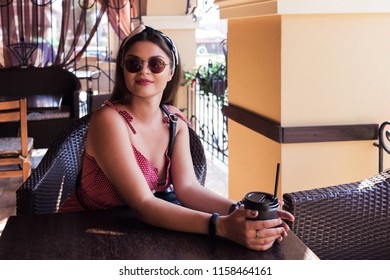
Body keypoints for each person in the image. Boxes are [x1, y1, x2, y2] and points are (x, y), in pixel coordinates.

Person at [60, 25, 294, 251]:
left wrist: (244, 212)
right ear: (123, 70)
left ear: (171, 71)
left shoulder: (173, 121)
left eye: (156, 63)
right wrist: (220, 226)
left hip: (143, 230)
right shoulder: (109, 120)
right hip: (87, 232)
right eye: (134, 63)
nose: (144, 70)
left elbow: (188, 188)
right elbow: (144, 203)